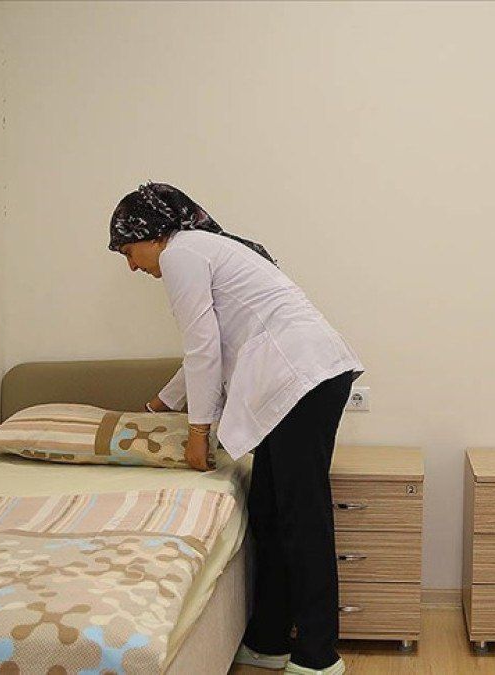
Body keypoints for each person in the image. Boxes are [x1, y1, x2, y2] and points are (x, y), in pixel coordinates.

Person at [109, 182, 362, 675]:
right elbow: (209, 346)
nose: (131, 266)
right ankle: (269, 640)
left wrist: (198, 434)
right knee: (268, 510)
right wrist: (159, 404)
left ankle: (318, 656)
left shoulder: (182, 253)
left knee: (301, 516)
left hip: (301, 380)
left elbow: (203, 348)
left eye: (127, 251)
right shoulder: (200, 249)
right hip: (301, 380)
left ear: (151, 234)